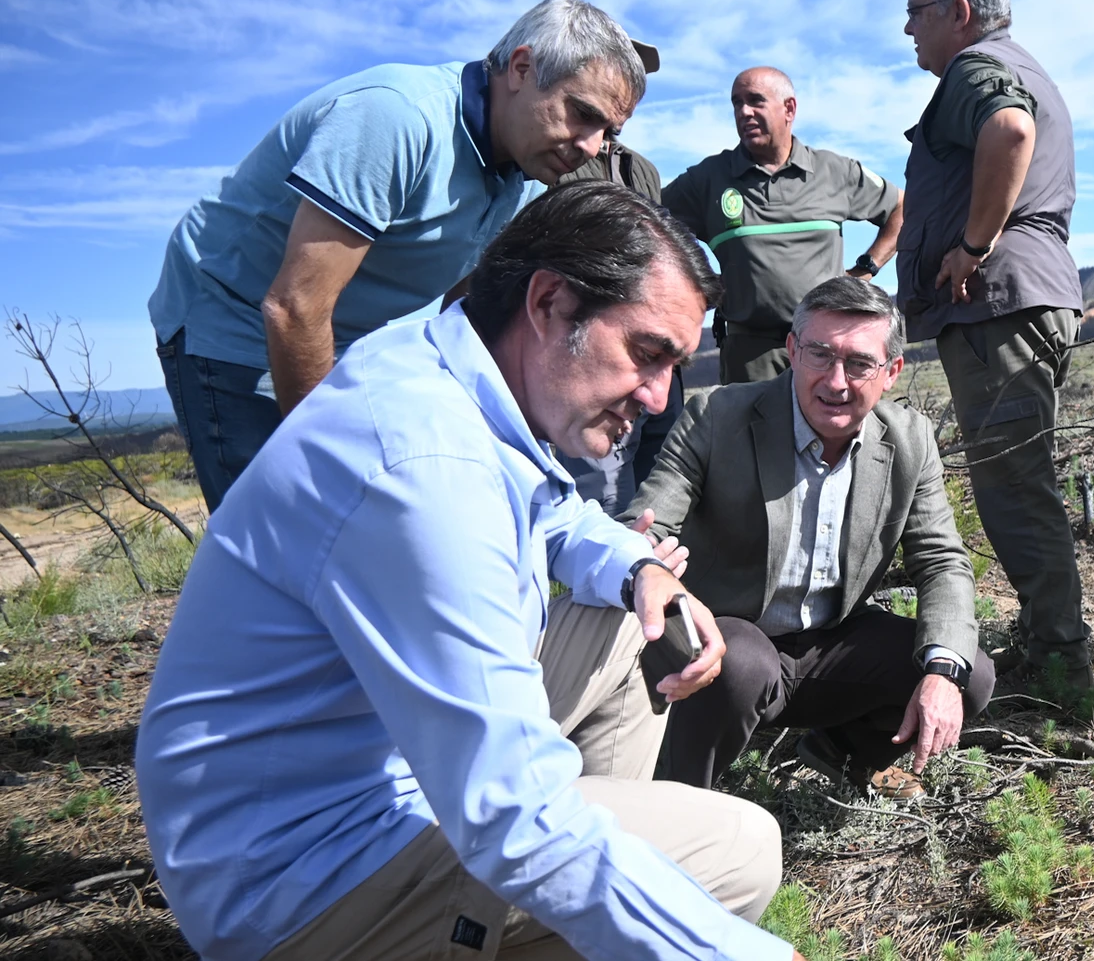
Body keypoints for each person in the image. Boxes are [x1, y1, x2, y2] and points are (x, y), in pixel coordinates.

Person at [136, 183, 799, 961]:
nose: (658, 398)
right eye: (647, 353)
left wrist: (638, 569)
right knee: (740, 850)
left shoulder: (448, 368)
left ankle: (583, 907)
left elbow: (557, 514)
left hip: (350, 780)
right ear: (550, 302)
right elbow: (512, 815)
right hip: (299, 873)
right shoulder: (425, 466)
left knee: (631, 619)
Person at [148, 0, 659, 512]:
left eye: (608, 132)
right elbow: (295, 307)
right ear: (521, 68)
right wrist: (335, 471)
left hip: (338, 335)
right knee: (286, 523)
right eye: (583, 114)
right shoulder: (395, 119)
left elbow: (467, 317)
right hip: (233, 323)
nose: (593, 147)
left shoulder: (526, 175)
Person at [632, 276, 995, 800]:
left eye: (860, 363)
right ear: (792, 351)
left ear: (892, 372)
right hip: (731, 637)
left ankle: (845, 753)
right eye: (820, 354)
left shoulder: (909, 440)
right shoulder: (717, 417)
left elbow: (941, 561)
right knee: (743, 664)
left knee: (968, 671)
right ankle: (680, 800)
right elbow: (646, 524)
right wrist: (648, 566)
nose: (836, 380)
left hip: (832, 642)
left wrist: (942, 671)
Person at [894, 0, 1090, 696]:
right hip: (1024, 301)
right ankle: (1050, 640)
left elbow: (1010, 132)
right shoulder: (1019, 65)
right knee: (1022, 483)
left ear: (958, 12)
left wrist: (972, 245)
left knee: (1014, 490)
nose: (908, 32)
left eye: (915, 14)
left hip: (999, 307)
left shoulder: (977, 71)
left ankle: (1061, 669)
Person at [663, 67, 904, 383]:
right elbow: (648, 223)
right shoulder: (708, 179)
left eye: (755, 101)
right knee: (753, 432)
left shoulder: (834, 171)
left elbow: (903, 208)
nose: (744, 112)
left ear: (789, 109)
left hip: (826, 347)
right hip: (750, 355)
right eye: (737, 103)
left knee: (829, 432)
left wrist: (867, 268)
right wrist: (698, 283)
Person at [557, 122, 685, 511]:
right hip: (596, 358)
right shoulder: (560, 159)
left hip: (658, 358)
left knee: (660, 477)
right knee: (602, 492)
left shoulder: (642, 169)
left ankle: (646, 561)